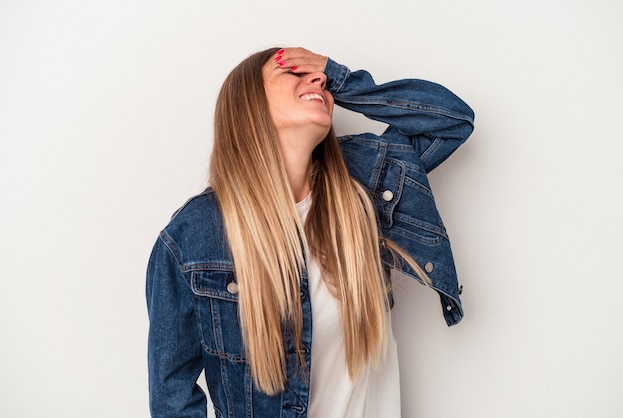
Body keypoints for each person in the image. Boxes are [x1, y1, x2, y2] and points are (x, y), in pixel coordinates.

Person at [146, 47, 474, 418]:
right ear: (248, 105)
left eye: (318, 77)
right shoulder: (192, 236)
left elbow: (451, 121)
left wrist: (338, 76)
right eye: (292, 73)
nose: (317, 80)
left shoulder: (364, 187)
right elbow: (172, 398)